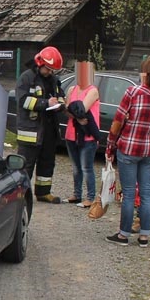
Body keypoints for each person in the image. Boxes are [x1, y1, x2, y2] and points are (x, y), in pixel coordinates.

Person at [104, 53, 150, 247]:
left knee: (130, 193)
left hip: (129, 149)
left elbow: (118, 121)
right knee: (146, 191)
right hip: (149, 150)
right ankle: (144, 235)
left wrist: (110, 144)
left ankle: (123, 235)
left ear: (146, 74)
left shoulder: (132, 92)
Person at [15, 45, 67, 203]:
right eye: (49, 69)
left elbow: (60, 96)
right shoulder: (27, 78)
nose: (50, 72)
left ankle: (43, 192)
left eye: (53, 70)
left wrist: (60, 104)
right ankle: (20, 194)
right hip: (31, 131)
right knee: (26, 164)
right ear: (40, 63)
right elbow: (23, 100)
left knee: (47, 162)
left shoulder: (53, 80)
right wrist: (45, 103)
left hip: (49, 129)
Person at [64, 64, 101, 207]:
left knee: (87, 168)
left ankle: (90, 197)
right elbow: (68, 111)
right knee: (75, 167)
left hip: (87, 137)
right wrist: (77, 114)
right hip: (71, 134)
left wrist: (75, 111)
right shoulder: (71, 89)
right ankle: (76, 194)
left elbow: (81, 109)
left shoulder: (93, 91)